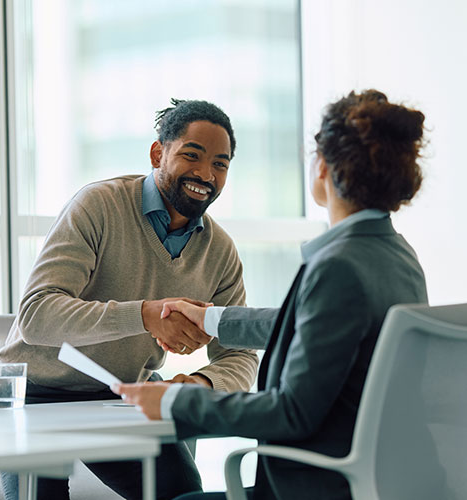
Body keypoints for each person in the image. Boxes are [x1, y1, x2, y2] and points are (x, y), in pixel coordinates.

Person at [111, 90, 429, 500]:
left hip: (312, 487)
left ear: (324, 169)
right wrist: (210, 319)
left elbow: (290, 412)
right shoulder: (398, 257)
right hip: (380, 479)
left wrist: (175, 402)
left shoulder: (339, 267)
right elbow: (314, 322)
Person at [0, 99, 259, 500]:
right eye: (192, 155)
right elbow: (36, 314)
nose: (205, 174)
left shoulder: (219, 250)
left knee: (183, 495)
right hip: (34, 398)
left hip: (121, 398)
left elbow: (239, 354)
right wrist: (145, 315)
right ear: (158, 153)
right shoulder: (98, 206)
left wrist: (203, 381)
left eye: (220, 164)